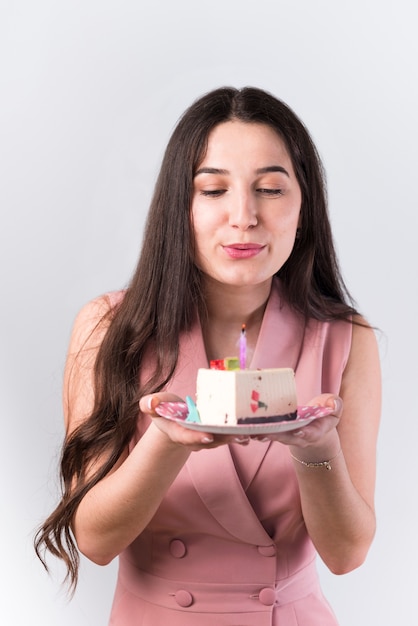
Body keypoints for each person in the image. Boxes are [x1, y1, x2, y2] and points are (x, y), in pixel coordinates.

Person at [35, 86, 381, 625]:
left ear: (304, 204)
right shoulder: (107, 329)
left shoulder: (344, 338)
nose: (243, 216)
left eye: (269, 188)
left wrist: (318, 446)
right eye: (213, 190)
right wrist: (166, 444)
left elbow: (347, 554)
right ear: (180, 204)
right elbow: (95, 540)